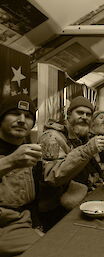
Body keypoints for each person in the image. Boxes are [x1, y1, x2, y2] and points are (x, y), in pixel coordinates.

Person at [38, 97, 104, 230]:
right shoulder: (52, 137)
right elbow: (52, 177)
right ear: (68, 115)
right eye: (79, 113)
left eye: (88, 114)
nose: (84, 117)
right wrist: (86, 150)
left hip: (88, 200)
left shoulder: (83, 137)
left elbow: (96, 169)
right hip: (59, 210)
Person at [0, 94, 43, 256]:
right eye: (15, 113)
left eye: (28, 116)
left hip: (20, 225)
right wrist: (11, 162)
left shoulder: (30, 153)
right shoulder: (19, 156)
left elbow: (32, 201)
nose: (22, 120)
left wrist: (37, 227)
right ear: (1, 117)